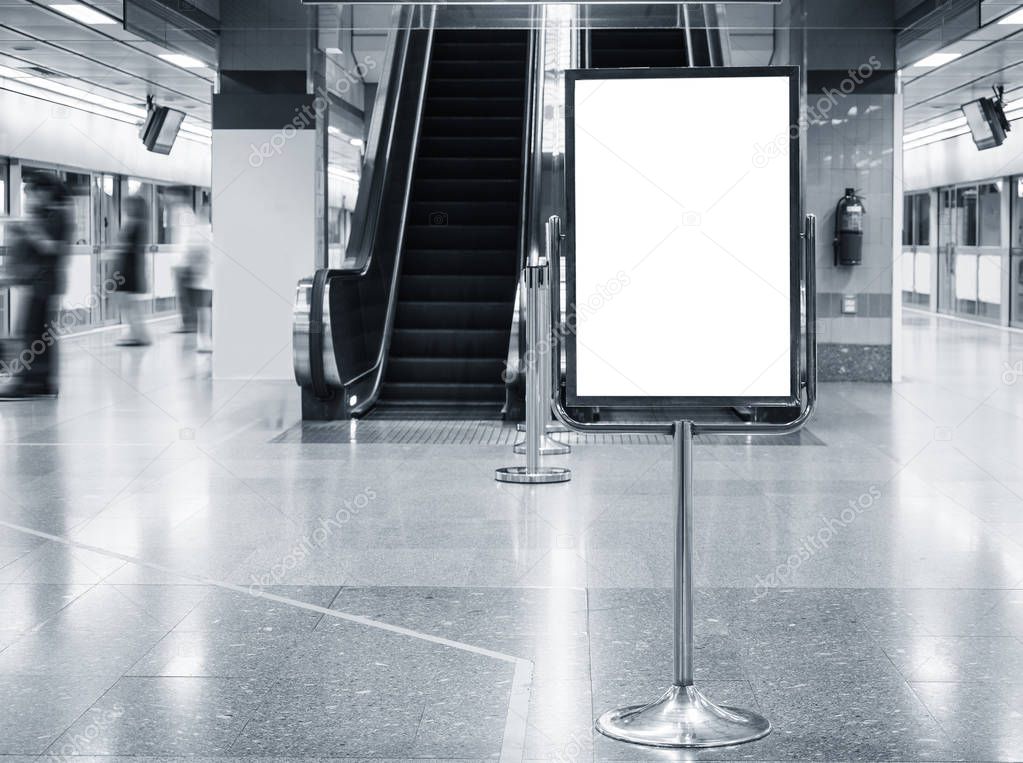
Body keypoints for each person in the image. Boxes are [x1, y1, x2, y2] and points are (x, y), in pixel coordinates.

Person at [0, 173, 71, 399]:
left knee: (33, 333)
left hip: (45, 283)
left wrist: (29, 229)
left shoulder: (58, 215)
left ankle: (30, 382)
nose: (29, 199)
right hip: (40, 282)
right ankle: (40, 381)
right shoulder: (50, 214)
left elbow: (54, 248)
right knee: (36, 333)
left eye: (31, 193)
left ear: (44, 192)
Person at [113, 194, 151, 347]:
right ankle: (138, 334)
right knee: (131, 304)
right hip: (134, 268)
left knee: (128, 303)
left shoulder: (132, 224)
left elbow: (122, 247)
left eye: (127, 205)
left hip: (127, 269)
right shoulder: (142, 224)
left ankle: (139, 335)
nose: (125, 208)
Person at [186, 207, 213, 353]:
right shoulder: (211, 232)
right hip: (208, 278)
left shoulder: (200, 232)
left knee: (203, 310)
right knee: (206, 310)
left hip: (202, 278)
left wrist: (195, 270)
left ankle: (205, 341)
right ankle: (205, 340)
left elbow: (196, 254)